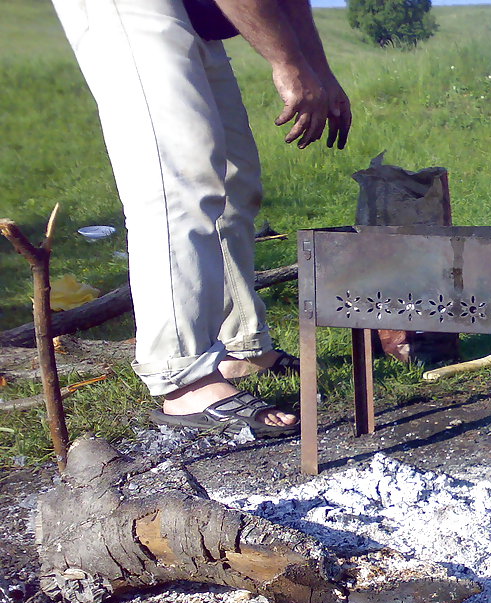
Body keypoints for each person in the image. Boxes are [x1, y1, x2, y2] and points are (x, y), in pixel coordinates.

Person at [50, 0, 351, 437]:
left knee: (234, 179)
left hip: (190, 11)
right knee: (177, 179)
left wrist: (316, 68)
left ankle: (239, 346)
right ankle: (182, 376)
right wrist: (288, 62)